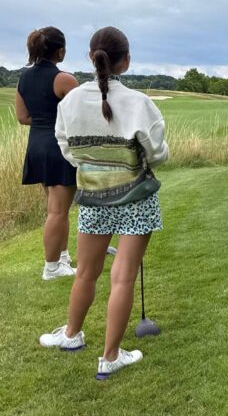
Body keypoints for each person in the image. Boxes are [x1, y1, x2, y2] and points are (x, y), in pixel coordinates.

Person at [40, 27, 169, 380]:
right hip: (135, 197)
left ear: (90, 56)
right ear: (125, 62)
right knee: (122, 277)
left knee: (85, 271)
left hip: (93, 195)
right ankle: (110, 356)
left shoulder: (69, 102)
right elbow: (158, 154)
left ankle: (71, 335)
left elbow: (68, 149)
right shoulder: (139, 103)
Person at [16, 27, 80, 279]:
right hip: (58, 148)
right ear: (60, 50)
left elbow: (23, 117)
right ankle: (51, 267)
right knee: (58, 210)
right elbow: (79, 117)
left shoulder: (23, 78)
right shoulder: (65, 80)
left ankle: (62, 259)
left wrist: (44, 119)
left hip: (37, 146)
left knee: (55, 207)